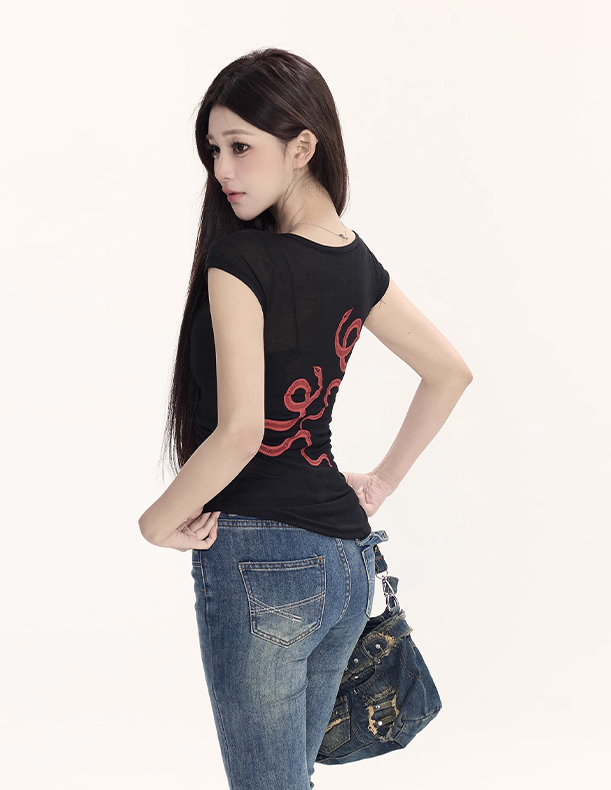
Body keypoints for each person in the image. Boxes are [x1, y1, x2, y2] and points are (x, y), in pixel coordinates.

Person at [137, 47, 473, 790]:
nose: (222, 170)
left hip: (263, 562)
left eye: (240, 147)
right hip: (347, 564)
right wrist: (381, 482)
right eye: (213, 151)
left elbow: (242, 433)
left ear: (302, 147)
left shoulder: (242, 263)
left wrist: (155, 522)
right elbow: (449, 373)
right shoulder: (356, 261)